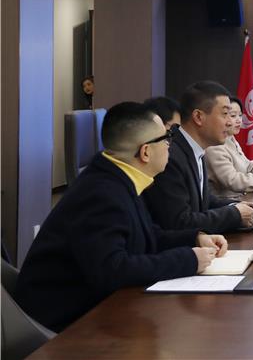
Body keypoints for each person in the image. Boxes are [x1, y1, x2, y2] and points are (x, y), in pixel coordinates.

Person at [15, 102, 226, 332]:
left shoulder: (119, 176)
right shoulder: (101, 194)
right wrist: (188, 260)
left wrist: (194, 238)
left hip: (93, 309)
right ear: (145, 152)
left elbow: (146, 235)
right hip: (61, 324)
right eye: (166, 138)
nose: (169, 145)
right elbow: (113, 270)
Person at [143, 81, 253, 233]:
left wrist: (237, 206)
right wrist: (234, 214)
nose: (230, 122)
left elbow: (205, 200)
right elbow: (180, 222)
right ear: (198, 117)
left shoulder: (195, 149)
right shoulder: (170, 156)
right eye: (225, 114)